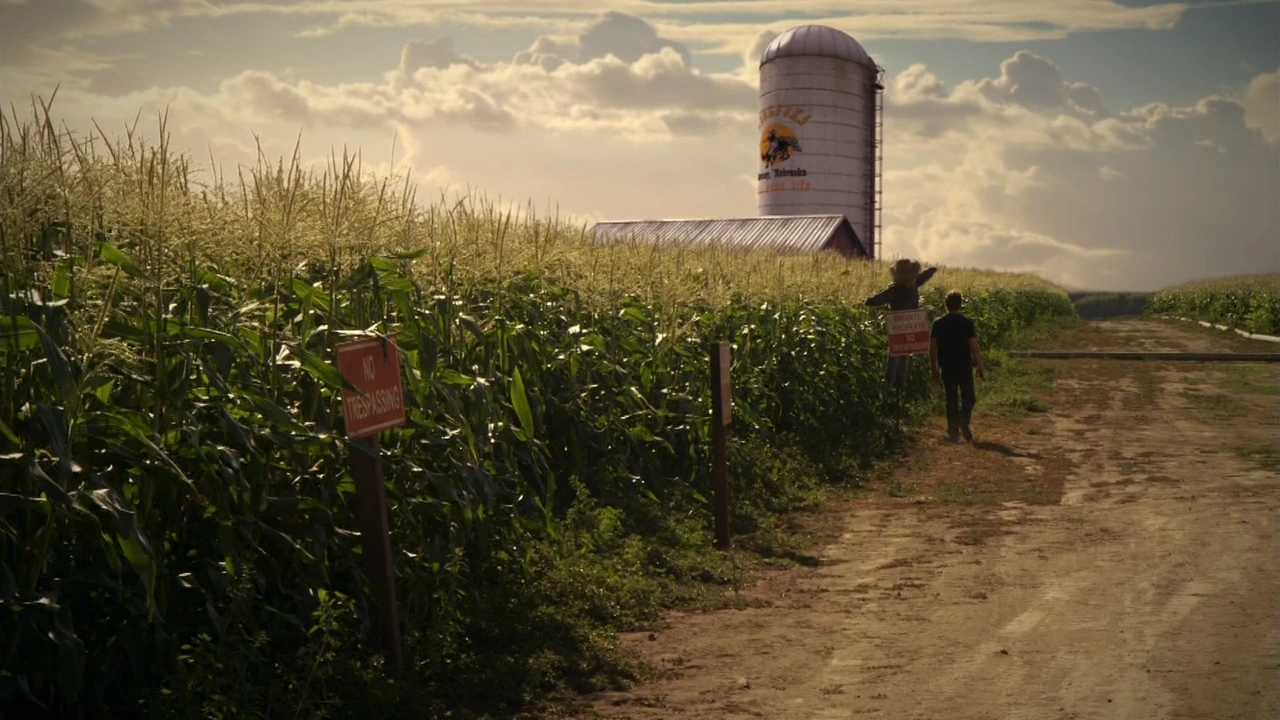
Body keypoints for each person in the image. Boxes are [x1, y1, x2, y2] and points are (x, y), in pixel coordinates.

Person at [865, 259, 938, 387]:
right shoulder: (912, 285)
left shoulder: (896, 290)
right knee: (904, 354)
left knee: (897, 353)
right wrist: (931, 270)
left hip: (898, 327)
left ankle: (890, 386)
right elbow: (923, 277)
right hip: (907, 327)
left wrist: (870, 301)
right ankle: (898, 385)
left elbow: (879, 299)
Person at [929, 290, 985, 442]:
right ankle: (964, 420)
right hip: (964, 366)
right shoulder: (967, 323)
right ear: (960, 304)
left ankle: (953, 431)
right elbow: (974, 346)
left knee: (951, 398)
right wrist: (980, 365)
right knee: (969, 397)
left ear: (946, 305)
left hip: (946, 366)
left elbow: (932, 348)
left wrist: (933, 368)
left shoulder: (938, 323)